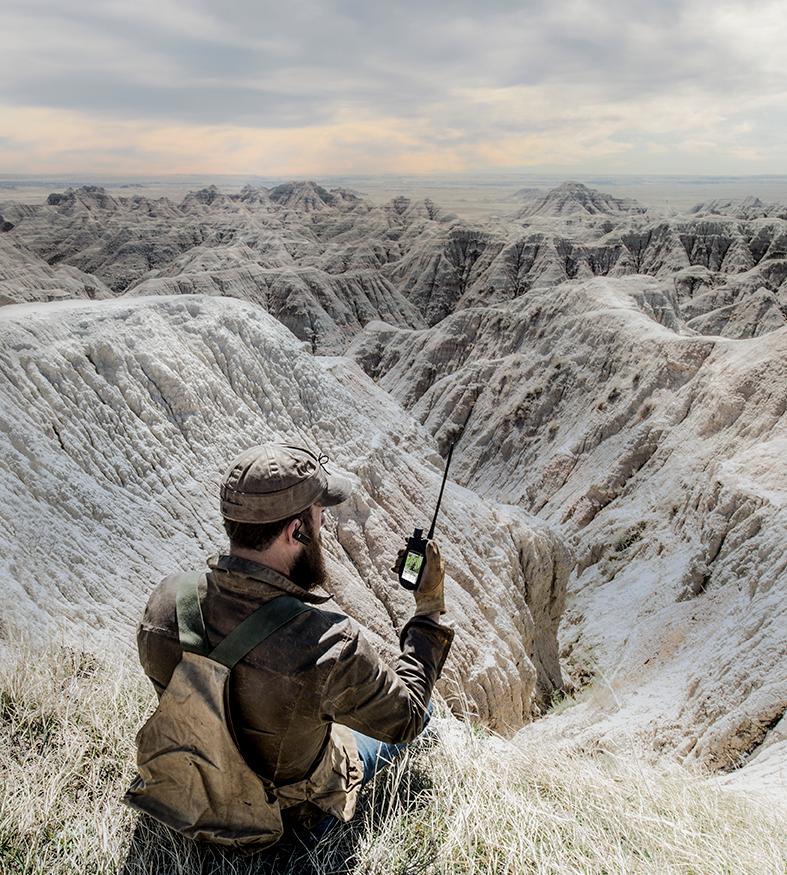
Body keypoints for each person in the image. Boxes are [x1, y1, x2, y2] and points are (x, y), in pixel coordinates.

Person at [133, 443, 453, 842]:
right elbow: (405, 716)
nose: (323, 529)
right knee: (425, 710)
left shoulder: (165, 604)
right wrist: (428, 609)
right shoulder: (327, 645)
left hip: (192, 788)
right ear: (295, 531)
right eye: (319, 517)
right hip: (284, 816)